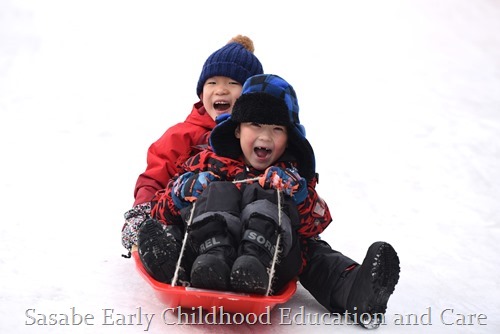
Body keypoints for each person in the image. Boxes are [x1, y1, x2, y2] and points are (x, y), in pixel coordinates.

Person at [138, 74, 401, 327]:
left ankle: (357, 292)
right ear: (238, 129)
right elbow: (161, 210)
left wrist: (297, 194)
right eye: (255, 125)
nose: (265, 137)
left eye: (276, 129)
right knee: (184, 220)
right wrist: (182, 192)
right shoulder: (208, 162)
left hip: (269, 264)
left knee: (312, 251)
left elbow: (318, 221)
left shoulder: (290, 174)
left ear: (288, 139)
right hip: (206, 256)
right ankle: (168, 262)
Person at [121, 35, 264, 256]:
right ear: (201, 91)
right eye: (212, 83)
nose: (221, 90)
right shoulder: (183, 134)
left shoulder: (258, 139)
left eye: (233, 83)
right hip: (186, 224)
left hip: (242, 233)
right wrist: (141, 213)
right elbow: (154, 177)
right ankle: (164, 254)